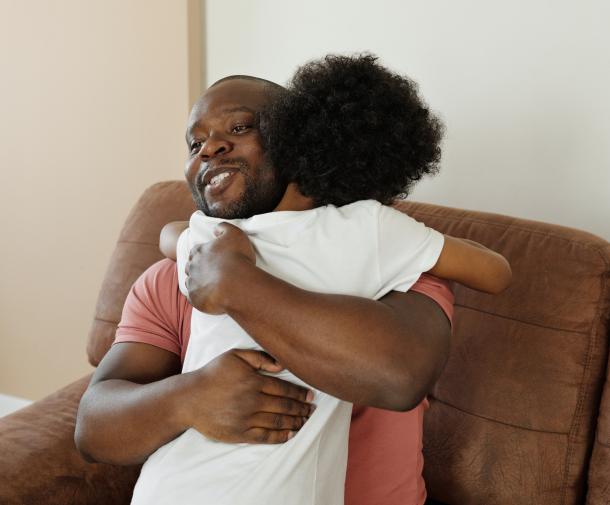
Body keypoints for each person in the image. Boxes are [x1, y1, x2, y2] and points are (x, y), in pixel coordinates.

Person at [76, 63, 459, 505]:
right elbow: (93, 427)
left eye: (240, 127)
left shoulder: (389, 260)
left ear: (300, 147)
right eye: (194, 143)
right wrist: (189, 398)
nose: (209, 148)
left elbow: (399, 378)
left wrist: (238, 285)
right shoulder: (170, 278)